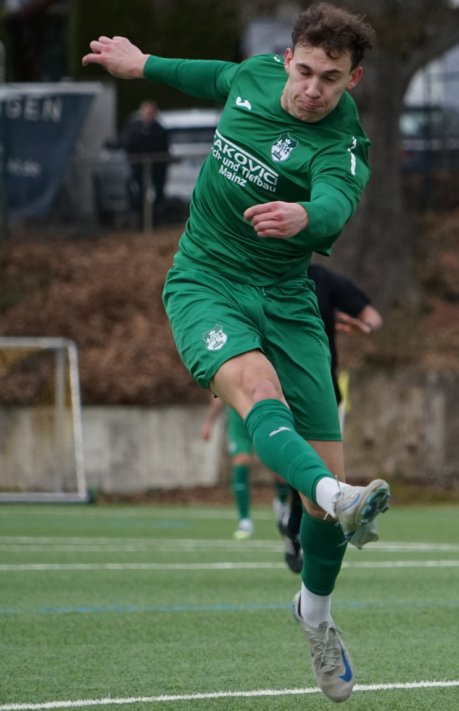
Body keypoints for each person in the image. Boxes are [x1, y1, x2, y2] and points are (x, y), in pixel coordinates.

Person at [83, 4, 385, 703]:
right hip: (205, 282)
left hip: (288, 299)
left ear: (353, 80)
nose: (312, 88)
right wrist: (143, 64)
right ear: (287, 59)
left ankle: (314, 611)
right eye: (305, 71)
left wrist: (303, 216)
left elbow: (337, 204)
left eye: (330, 79)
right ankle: (338, 494)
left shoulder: (341, 146)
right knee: (258, 395)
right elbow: (211, 74)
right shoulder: (254, 76)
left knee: (320, 519)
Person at [277, 263, 383, 574]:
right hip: (278, 385)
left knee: (322, 468)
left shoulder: (322, 278)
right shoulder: (264, 271)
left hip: (322, 387)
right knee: (301, 464)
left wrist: (361, 325)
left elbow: (371, 318)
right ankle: (294, 525)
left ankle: (294, 526)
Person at [199, 397, 260, 539]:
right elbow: (218, 396)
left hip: (263, 416)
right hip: (239, 421)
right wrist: (208, 423)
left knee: (279, 474)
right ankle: (245, 520)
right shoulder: (229, 373)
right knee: (241, 463)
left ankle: (283, 508)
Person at [121, 100, 170, 225]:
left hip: (156, 167)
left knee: (158, 194)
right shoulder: (134, 128)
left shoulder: (159, 129)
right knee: (138, 193)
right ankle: (139, 221)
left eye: (151, 112)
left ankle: (156, 221)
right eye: (147, 112)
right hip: (138, 167)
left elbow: (164, 148)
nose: (149, 115)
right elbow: (128, 145)